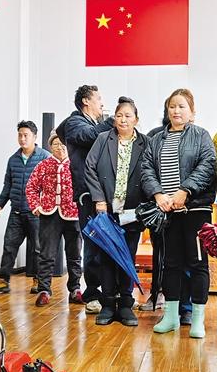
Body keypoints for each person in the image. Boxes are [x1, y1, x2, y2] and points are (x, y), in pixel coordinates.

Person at [141, 89, 216, 338]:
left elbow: (207, 166)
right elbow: (146, 169)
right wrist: (158, 195)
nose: (176, 110)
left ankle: (197, 319)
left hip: (195, 209)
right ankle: (171, 317)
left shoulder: (201, 136)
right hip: (167, 212)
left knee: (197, 263)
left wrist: (185, 190)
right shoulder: (156, 139)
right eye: (172, 106)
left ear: (192, 112)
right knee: (170, 263)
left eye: (182, 106)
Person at [84, 97, 148, 326]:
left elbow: (151, 172)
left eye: (128, 116)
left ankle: (126, 305)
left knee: (127, 256)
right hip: (107, 211)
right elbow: (89, 167)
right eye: (119, 115)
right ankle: (108, 304)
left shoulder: (146, 143)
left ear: (136, 120)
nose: (123, 120)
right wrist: (99, 199)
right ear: (114, 119)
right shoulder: (103, 139)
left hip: (133, 211)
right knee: (107, 257)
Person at [56, 85, 114, 312]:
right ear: (86, 101)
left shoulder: (91, 122)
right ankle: (92, 294)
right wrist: (113, 120)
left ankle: (108, 292)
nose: (102, 103)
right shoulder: (75, 123)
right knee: (92, 244)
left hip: (102, 193)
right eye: (98, 98)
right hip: (88, 194)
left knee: (104, 244)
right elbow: (88, 136)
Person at [0, 120, 51, 294]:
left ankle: (38, 281)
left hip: (36, 213)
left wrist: (43, 206)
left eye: (26, 135)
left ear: (34, 137)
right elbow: (8, 185)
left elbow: (49, 187)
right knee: (9, 246)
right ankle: (3, 280)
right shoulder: (13, 159)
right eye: (20, 135)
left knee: (38, 248)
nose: (22, 139)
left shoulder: (45, 157)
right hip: (16, 211)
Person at [26, 133, 84, 307]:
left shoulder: (76, 164)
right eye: (56, 144)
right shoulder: (43, 165)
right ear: (50, 147)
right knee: (46, 254)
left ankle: (75, 289)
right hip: (49, 215)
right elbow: (31, 187)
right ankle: (44, 290)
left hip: (73, 215)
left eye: (63, 144)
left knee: (74, 254)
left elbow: (85, 186)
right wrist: (36, 206)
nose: (60, 147)